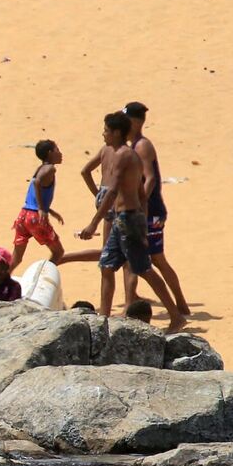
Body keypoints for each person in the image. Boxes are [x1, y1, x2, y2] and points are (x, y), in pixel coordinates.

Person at [76, 112, 186, 333]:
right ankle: (103, 319)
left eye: (106, 130)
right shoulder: (110, 151)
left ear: (117, 132)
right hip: (120, 219)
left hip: (128, 218)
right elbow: (137, 192)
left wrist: (94, 223)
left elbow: (117, 190)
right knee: (107, 266)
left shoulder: (126, 156)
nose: (103, 133)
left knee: (144, 269)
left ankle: (176, 316)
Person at [120, 102, 190, 315]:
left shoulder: (142, 146)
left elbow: (150, 179)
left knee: (155, 259)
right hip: (145, 210)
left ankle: (179, 305)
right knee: (135, 259)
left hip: (151, 211)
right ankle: (132, 302)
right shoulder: (134, 145)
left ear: (134, 122)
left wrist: (141, 206)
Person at [11, 140, 67, 267]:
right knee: (58, 253)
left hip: (24, 215)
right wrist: (42, 209)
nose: (60, 153)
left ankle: (1, 283)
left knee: (16, 258)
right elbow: (37, 183)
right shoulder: (50, 169)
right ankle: (41, 278)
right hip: (35, 218)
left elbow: (36, 193)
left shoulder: (40, 168)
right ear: (50, 153)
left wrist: (50, 211)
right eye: (57, 150)